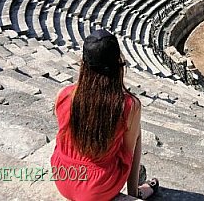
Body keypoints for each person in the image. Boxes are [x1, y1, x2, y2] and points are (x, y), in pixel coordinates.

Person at [50, 29, 159, 200]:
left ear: (83, 64)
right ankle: (135, 192)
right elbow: (127, 153)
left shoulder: (63, 94)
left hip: (62, 176)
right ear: (118, 63)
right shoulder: (129, 105)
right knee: (136, 133)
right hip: (97, 187)